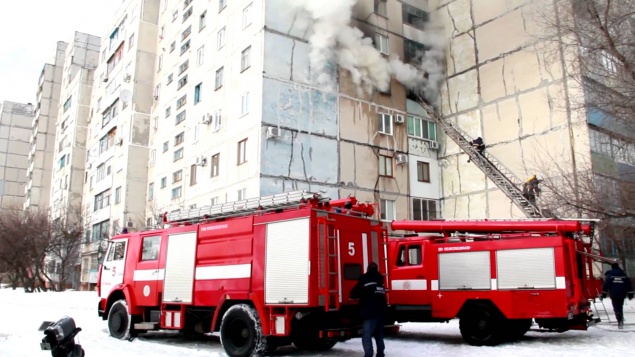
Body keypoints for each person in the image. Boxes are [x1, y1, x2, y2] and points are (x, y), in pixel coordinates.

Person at [350, 262, 388, 357]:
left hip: (369, 313)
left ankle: (368, 354)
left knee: (367, 336)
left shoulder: (365, 280)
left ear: (367, 269)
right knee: (379, 335)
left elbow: (353, 294)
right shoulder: (380, 282)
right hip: (381, 312)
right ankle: (380, 353)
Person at [601, 262, 634, 329]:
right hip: (622, 293)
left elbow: (606, 285)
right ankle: (620, 317)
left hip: (614, 294)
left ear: (612, 267)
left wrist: (604, 293)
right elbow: (628, 284)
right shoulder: (623, 274)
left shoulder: (610, 275)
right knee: (620, 305)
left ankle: (619, 318)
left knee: (616, 306)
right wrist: (630, 293)